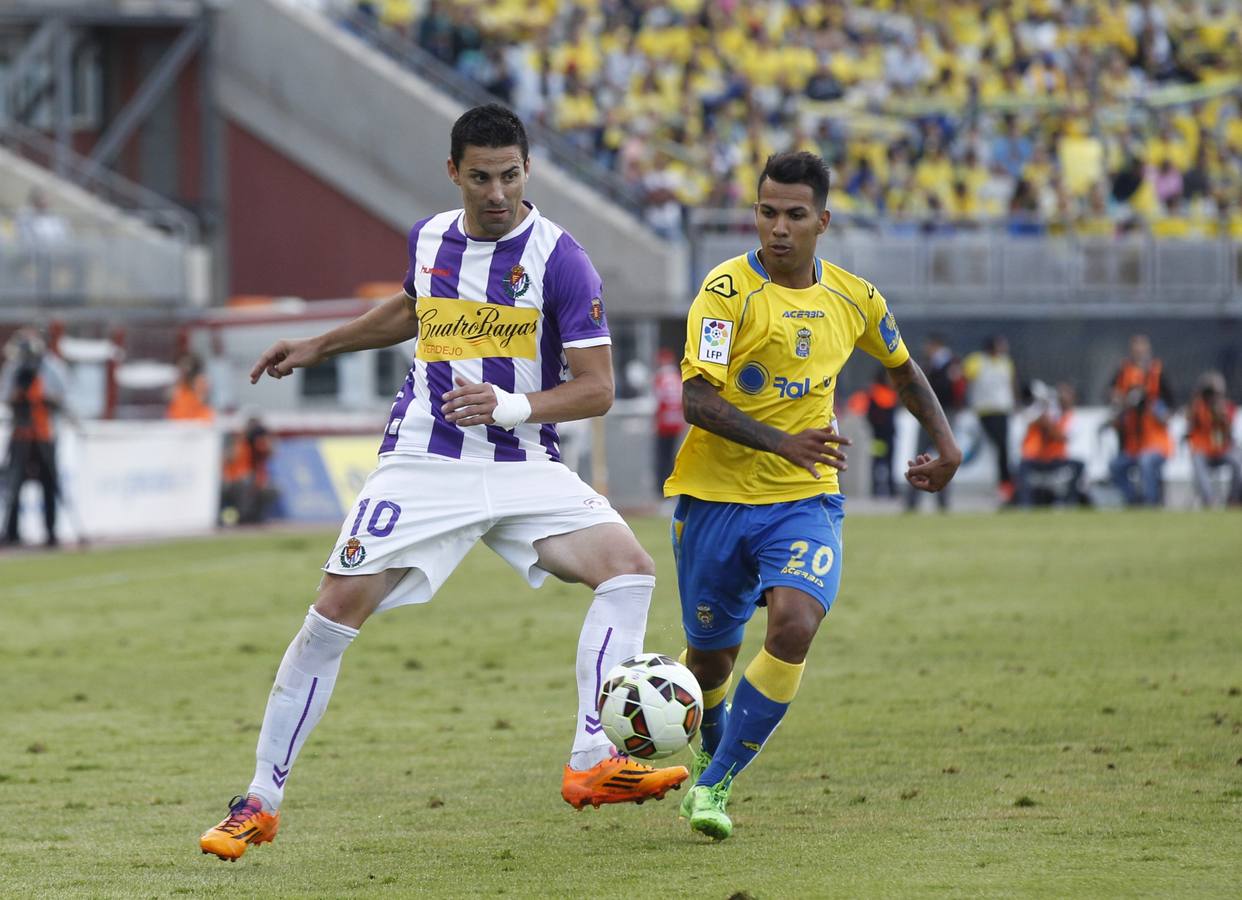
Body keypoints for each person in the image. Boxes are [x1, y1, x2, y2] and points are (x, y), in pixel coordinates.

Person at [199, 104, 687, 861]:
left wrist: (512, 404)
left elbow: (597, 389)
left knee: (630, 571)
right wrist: (319, 345)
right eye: (483, 177)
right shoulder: (431, 237)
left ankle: (593, 760)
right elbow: (414, 307)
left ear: (530, 171)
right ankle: (260, 800)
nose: (498, 193)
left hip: (523, 463)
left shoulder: (562, 260)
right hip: (425, 461)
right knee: (330, 618)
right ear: (453, 171)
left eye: (512, 176)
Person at [663, 151, 960, 841]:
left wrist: (947, 444)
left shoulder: (855, 298)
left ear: (822, 220)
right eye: (768, 212)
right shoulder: (724, 293)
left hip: (805, 498)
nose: (779, 228)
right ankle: (705, 734)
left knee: (794, 624)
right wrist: (779, 439)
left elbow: (903, 367)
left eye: (795, 215)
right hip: (715, 499)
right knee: (710, 658)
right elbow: (695, 399)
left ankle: (715, 785)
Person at [1, 328, 69, 547]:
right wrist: (18, 397)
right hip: (20, 433)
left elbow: (62, 398)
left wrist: (44, 400)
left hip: (44, 434)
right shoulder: (14, 367)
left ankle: (50, 531)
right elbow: (6, 396)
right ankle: (11, 532)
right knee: (14, 482)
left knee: (49, 483)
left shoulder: (52, 367)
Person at [1107, 334, 1172, 506]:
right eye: (1135, 348)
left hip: (1156, 442)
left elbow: (1171, 406)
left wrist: (1155, 407)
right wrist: (1124, 401)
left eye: (1142, 348)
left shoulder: (1157, 371)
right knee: (1115, 466)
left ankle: (1150, 503)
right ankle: (1133, 500)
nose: (1139, 352)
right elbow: (1111, 394)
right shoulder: (1124, 371)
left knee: (1146, 461)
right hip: (1134, 444)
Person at [904, 333, 963, 512]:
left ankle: (941, 500)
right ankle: (913, 500)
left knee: (945, 457)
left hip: (943, 413)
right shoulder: (931, 364)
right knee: (923, 457)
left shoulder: (951, 363)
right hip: (929, 414)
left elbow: (955, 389)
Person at [1015, 382, 1091, 507]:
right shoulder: (1050, 411)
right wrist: (1042, 409)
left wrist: (1048, 424)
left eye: (1067, 394)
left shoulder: (1074, 418)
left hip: (1058, 458)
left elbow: (1062, 437)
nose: (1062, 397)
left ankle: (1068, 501)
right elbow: (1027, 419)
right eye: (1061, 393)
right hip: (1041, 457)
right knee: (1023, 465)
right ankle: (1025, 504)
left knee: (1079, 465)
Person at [962, 334, 1017, 502]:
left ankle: (1006, 483)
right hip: (985, 411)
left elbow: (1011, 383)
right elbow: (964, 380)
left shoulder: (1005, 362)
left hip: (1002, 410)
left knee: (1003, 447)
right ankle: (1005, 482)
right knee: (1000, 446)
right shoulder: (977, 361)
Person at [1185, 371, 1240, 507]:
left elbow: (1229, 432)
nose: (1213, 397)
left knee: (1238, 461)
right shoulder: (1198, 406)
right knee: (1197, 460)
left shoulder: (1227, 407)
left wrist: (1221, 415)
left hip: (1222, 450)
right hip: (1204, 450)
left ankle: (1233, 499)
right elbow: (1189, 421)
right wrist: (1197, 398)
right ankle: (1209, 500)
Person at [845, 365, 899, 498]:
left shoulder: (879, 392)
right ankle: (882, 490)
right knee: (880, 463)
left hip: (885, 436)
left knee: (884, 463)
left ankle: (884, 490)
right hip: (879, 436)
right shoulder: (878, 393)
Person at [220, 414, 278, 524]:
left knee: (271, 489)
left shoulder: (258, 443)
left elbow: (271, 452)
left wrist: (265, 436)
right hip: (235, 481)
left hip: (253, 481)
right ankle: (243, 517)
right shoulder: (239, 441)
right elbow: (229, 459)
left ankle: (256, 517)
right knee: (245, 482)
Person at [652, 347, 684, 497]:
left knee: (662, 459)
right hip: (676, 423)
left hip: (663, 424)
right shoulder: (677, 377)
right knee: (672, 458)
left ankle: (662, 492)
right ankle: (672, 491)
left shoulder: (661, 378)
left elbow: (656, 400)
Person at [166, 352, 214, 421]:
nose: (184, 369)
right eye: (181, 366)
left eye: (187, 366)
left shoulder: (200, 381)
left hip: (196, 420)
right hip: (178, 421)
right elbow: (169, 397)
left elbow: (202, 400)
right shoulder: (178, 383)